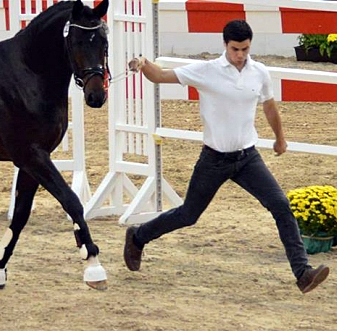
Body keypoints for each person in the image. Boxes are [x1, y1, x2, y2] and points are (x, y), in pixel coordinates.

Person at [123, 19, 329, 294]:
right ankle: (138, 236)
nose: (240, 55)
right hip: (214, 160)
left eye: (245, 49)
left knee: (280, 205)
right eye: (235, 49)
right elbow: (161, 76)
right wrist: (143, 63)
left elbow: (268, 106)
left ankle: (303, 273)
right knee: (188, 214)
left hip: (248, 158)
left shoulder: (259, 72)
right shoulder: (207, 71)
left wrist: (280, 138)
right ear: (225, 45)